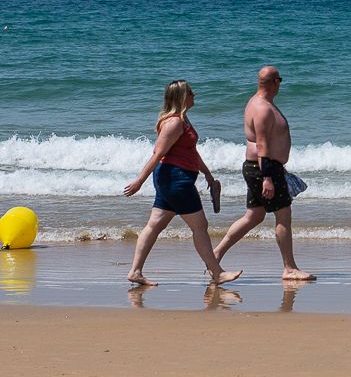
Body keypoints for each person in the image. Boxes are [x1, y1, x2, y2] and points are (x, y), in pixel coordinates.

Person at [123, 80, 242, 286]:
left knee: (154, 225)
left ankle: (135, 272)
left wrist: (207, 174)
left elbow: (191, 152)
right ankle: (217, 272)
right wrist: (139, 181)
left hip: (173, 178)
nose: (194, 94)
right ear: (181, 97)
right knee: (200, 226)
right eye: (190, 92)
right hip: (175, 179)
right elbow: (157, 154)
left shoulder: (183, 119)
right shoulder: (174, 123)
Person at [214, 66, 315, 281]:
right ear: (274, 82)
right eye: (280, 80)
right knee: (283, 216)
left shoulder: (260, 103)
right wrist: (268, 177)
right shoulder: (262, 108)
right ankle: (289, 268)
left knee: (254, 216)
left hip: (261, 168)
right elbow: (261, 145)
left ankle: (215, 255)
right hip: (264, 170)